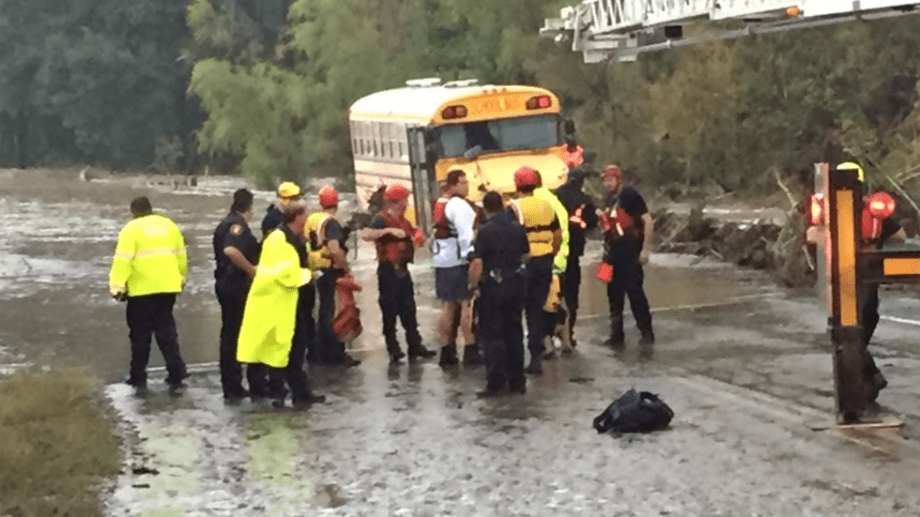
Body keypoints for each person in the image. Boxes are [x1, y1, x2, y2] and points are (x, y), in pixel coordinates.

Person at [806, 160, 907, 401]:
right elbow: (901, 238)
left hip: (844, 281)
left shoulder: (829, 210)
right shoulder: (872, 210)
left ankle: (868, 382)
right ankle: (868, 383)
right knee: (858, 331)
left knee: (846, 334)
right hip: (870, 281)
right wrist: (877, 243)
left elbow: (811, 235)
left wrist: (830, 240)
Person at [237, 199, 325, 409]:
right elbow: (286, 273)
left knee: (292, 348)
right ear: (297, 217)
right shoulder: (278, 239)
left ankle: (298, 392)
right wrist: (310, 274)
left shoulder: (293, 237)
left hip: (292, 302)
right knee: (279, 349)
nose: (307, 220)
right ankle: (280, 393)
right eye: (305, 216)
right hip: (276, 303)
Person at [109, 196, 188, 396]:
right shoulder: (169, 226)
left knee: (140, 336)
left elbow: (122, 261)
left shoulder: (130, 229)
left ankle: (138, 376)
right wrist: (181, 279)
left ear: (133, 211)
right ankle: (176, 374)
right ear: (151, 209)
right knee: (167, 333)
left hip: (141, 292)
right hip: (168, 289)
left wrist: (116, 288)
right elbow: (181, 257)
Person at [362, 184, 437, 363]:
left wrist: (418, 235)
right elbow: (366, 234)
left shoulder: (403, 219)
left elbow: (412, 231)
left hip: (403, 269)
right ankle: (393, 348)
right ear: (397, 201)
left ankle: (415, 345)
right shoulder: (381, 219)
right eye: (405, 199)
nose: (407, 202)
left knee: (409, 309)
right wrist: (387, 231)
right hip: (388, 271)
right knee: (389, 311)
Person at [468, 191, 530, 397]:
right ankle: (517, 381)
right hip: (516, 284)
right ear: (502, 205)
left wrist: (473, 286)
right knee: (514, 331)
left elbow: (477, 263)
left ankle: (496, 383)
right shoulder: (518, 228)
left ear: (486, 209)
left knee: (493, 335)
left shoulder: (484, 231)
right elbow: (526, 254)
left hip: (493, 287)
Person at [508, 166, 562, 374]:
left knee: (515, 311)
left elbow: (510, 235)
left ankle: (518, 359)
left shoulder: (513, 207)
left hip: (525, 263)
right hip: (545, 261)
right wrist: (552, 253)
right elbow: (557, 234)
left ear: (517, 185)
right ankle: (536, 357)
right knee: (536, 311)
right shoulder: (546, 205)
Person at [212, 188, 264, 401]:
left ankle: (232, 382)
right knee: (234, 334)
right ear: (249, 207)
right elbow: (231, 251)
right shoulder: (237, 227)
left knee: (229, 333)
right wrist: (250, 270)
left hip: (225, 283)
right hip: (234, 284)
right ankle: (233, 384)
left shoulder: (225, 223)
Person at [599, 164, 655, 350]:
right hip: (613, 251)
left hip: (630, 251)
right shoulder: (608, 199)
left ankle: (646, 332)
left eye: (610, 179)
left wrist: (645, 250)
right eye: (605, 180)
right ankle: (616, 335)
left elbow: (648, 221)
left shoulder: (630, 196)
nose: (607, 183)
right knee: (613, 295)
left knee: (635, 292)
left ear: (618, 179)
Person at [307, 185, 360, 367]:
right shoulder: (331, 223)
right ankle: (335, 353)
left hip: (316, 271)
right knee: (337, 313)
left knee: (323, 312)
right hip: (332, 271)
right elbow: (335, 250)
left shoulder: (313, 219)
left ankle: (318, 352)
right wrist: (346, 268)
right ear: (336, 202)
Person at [432, 170, 479, 366]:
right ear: (453, 185)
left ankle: (446, 350)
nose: (466, 185)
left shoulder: (440, 203)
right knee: (466, 304)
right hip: (458, 261)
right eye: (462, 182)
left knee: (447, 306)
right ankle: (470, 349)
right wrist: (472, 257)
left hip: (442, 259)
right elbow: (466, 235)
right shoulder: (459, 205)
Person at [554, 166, 599, 348]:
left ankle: (548, 334)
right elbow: (591, 224)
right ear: (581, 181)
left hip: (554, 252)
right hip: (573, 253)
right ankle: (568, 334)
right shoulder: (585, 200)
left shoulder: (555, 195)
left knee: (553, 294)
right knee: (572, 296)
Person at [533, 170, 571, 359]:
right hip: (561, 257)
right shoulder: (553, 197)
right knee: (560, 301)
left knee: (541, 303)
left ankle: (547, 346)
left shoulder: (536, 201)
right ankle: (566, 342)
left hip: (545, 258)